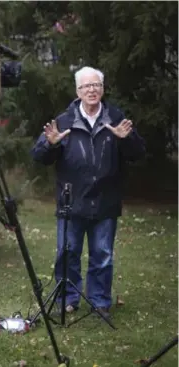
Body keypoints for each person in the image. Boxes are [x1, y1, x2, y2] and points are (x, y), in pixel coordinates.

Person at [31, 66, 146, 320]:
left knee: (102, 255)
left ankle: (99, 301)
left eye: (96, 85)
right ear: (77, 91)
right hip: (71, 201)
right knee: (66, 253)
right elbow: (39, 157)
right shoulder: (63, 121)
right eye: (86, 86)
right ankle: (68, 299)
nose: (91, 90)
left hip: (106, 200)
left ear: (102, 89)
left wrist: (125, 140)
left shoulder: (115, 117)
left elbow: (138, 154)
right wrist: (50, 144)